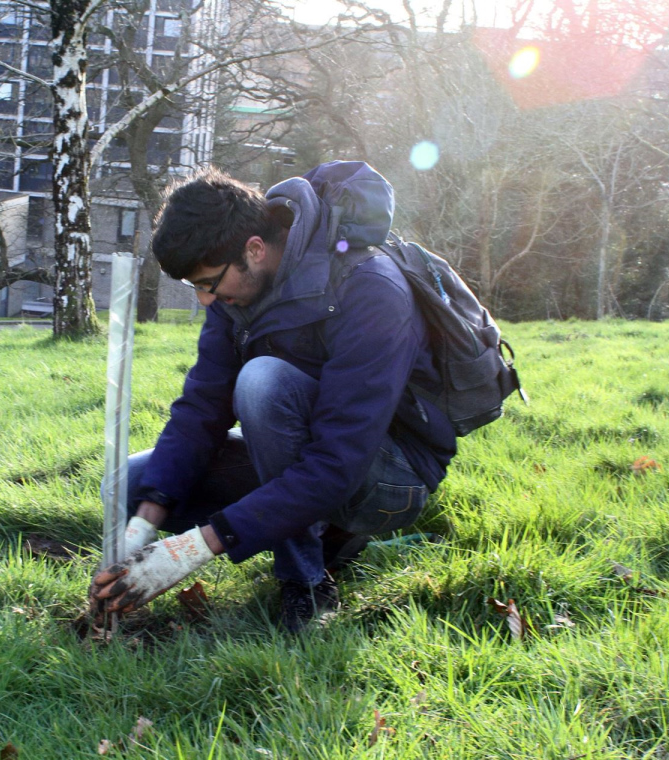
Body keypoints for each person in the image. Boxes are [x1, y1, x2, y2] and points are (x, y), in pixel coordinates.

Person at [90, 161, 457, 632]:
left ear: (255, 249)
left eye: (207, 283)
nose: (205, 300)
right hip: (309, 452)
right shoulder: (236, 293)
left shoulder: (371, 289)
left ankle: (307, 583)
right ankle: (331, 535)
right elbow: (202, 408)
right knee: (129, 484)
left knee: (263, 383)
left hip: (390, 474)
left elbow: (337, 462)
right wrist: (146, 519)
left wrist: (195, 547)